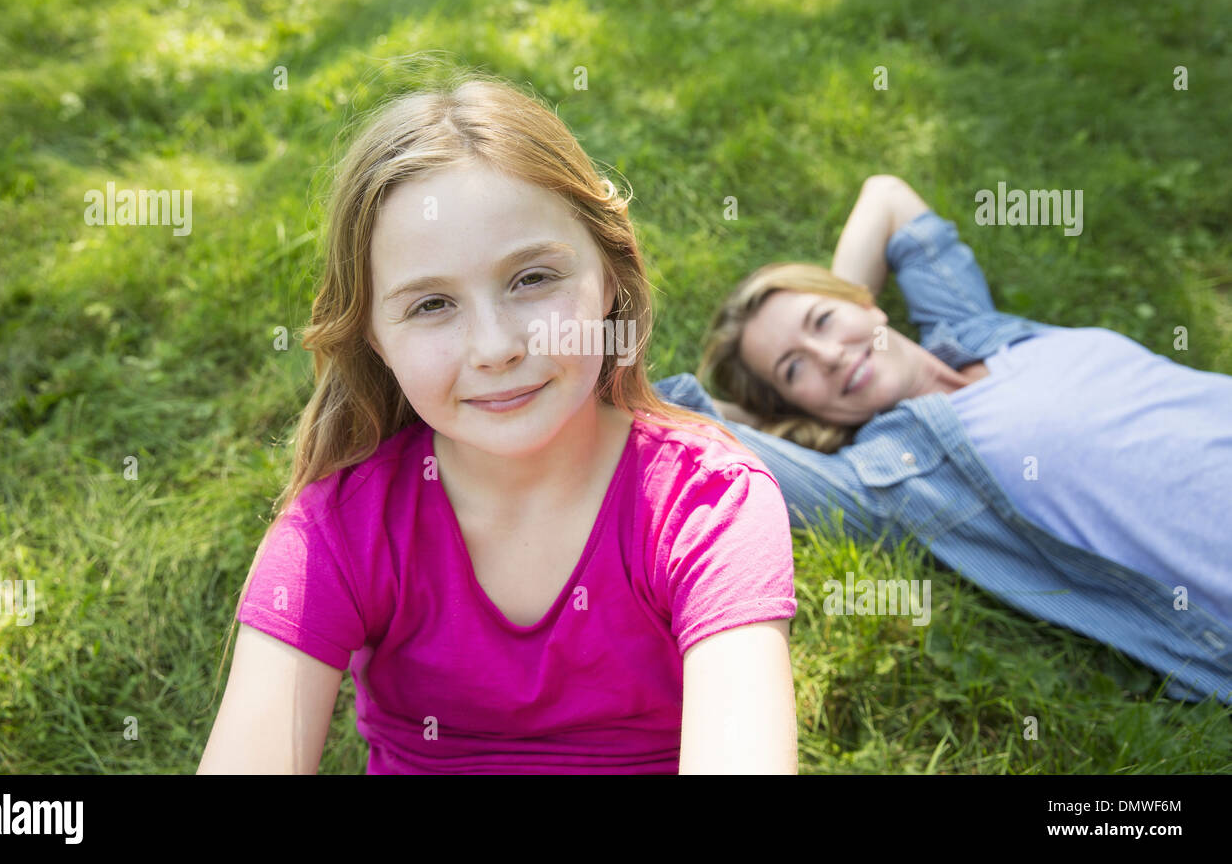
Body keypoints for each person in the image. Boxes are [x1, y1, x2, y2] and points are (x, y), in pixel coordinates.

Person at [198, 73, 799, 774]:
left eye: (532, 279)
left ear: (609, 278)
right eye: (431, 306)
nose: (496, 347)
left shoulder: (708, 506)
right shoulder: (338, 532)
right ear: (373, 338)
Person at [655, 174, 1232, 705]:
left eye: (823, 321)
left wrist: (853, 317)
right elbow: (688, 429)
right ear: (798, 407)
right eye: (793, 369)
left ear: (862, 301)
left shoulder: (979, 330)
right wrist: (770, 413)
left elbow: (887, 198)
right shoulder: (891, 479)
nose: (829, 356)